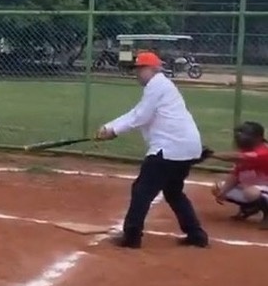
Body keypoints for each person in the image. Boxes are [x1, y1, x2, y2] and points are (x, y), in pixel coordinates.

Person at [96, 51, 209, 249]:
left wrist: (113, 130)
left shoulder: (158, 85)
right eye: (136, 69)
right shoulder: (160, 86)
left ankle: (131, 237)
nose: (137, 73)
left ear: (154, 68)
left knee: (142, 191)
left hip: (170, 149)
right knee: (173, 192)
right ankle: (196, 234)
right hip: (184, 148)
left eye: (141, 69)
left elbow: (140, 117)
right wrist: (110, 127)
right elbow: (138, 112)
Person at [210, 121, 268, 229]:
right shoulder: (245, 151)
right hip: (258, 189)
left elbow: (239, 157)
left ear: (258, 138)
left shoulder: (264, 152)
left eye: (245, 134)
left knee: (251, 192)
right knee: (218, 188)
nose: (241, 137)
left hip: (262, 189)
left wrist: (211, 155)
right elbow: (236, 175)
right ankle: (249, 208)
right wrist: (224, 191)